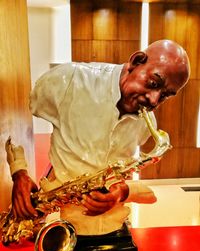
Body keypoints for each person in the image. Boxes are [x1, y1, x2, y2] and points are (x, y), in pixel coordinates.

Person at [7, 39, 190, 236]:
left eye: (165, 95)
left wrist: (118, 193)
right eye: (153, 83)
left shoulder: (148, 124)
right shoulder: (67, 80)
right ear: (136, 61)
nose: (154, 100)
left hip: (112, 226)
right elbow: (11, 122)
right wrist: (20, 173)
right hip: (63, 220)